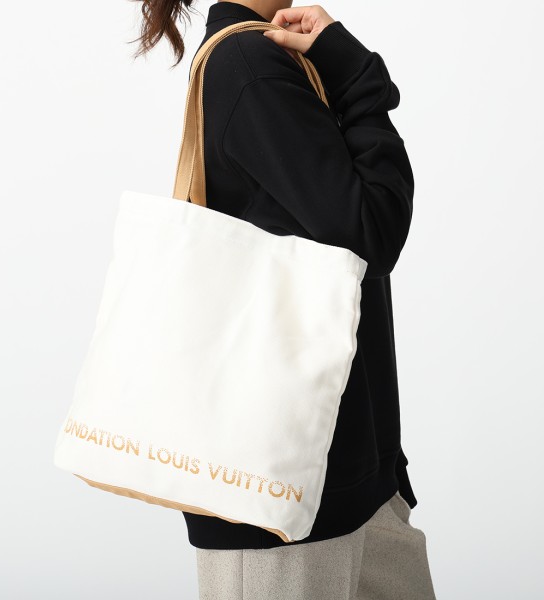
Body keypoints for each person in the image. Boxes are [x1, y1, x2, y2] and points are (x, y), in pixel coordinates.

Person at [131, 1, 437, 598]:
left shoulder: (267, 57)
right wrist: (356, 75)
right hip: (280, 509)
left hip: (351, 480)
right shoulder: (248, 64)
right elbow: (371, 231)